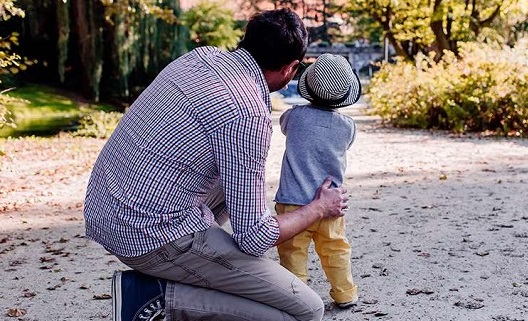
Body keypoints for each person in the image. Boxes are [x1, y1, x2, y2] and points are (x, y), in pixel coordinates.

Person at [83, 8, 349, 321]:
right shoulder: (248, 114)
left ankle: (198, 274)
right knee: (306, 310)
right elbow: (255, 236)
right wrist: (318, 208)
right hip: (147, 234)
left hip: (106, 211)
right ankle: (154, 299)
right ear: (291, 68)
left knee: (234, 181)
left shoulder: (200, 57)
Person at [274, 53, 360, 309]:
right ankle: (345, 293)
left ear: (308, 87)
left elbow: (283, 126)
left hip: (292, 204)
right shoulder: (347, 126)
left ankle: (296, 299)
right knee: (336, 249)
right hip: (331, 204)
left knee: (292, 254)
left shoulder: (294, 117)